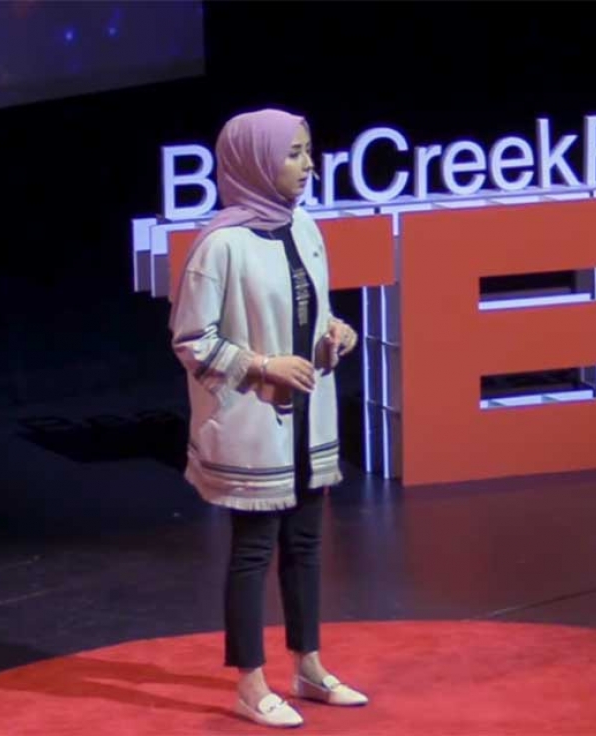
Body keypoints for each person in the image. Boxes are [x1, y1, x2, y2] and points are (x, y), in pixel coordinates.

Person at [168, 108, 368, 728]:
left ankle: (308, 667)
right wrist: (263, 365)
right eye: (293, 154)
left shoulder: (305, 227)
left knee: (306, 546)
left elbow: (313, 312)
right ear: (256, 161)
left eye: (308, 151)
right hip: (256, 425)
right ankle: (250, 685)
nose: (308, 165)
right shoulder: (220, 245)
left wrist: (332, 337)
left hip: (308, 419)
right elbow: (191, 341)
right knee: (253, 553)